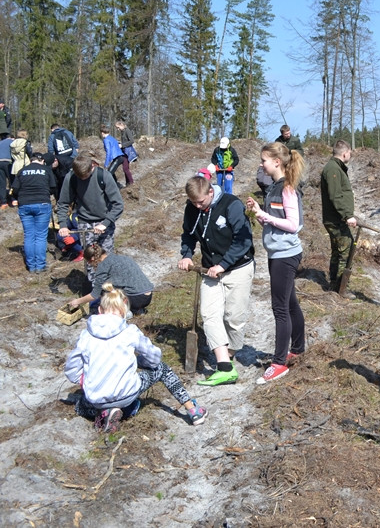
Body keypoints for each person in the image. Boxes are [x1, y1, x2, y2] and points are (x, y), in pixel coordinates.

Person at [65, 283, 207, 433]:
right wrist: (141, 362)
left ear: (99, 310)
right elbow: (154, 357)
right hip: (127, 392)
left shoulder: (86, 335)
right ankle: (193, 410)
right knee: (162, 369)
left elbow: (71, 370)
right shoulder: (130, 331)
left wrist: (85, 380)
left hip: (97, 398)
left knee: (80, 406)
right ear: (125, 311)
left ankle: (105, 413)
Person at [179, 174, 256, 386]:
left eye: (201, 201)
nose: (197, 205)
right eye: (193, 202)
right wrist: (186, 254)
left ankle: (229, 354)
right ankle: (224, 366)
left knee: (233, 317)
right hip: (209, 269)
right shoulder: (192, 208)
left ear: (210, 192)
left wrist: (223, 265)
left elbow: (243, 240)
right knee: (209, 314)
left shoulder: (231, 205)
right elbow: (188, 234)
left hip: (238, 268)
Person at [247, 142, 306, 384]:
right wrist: (259, 212)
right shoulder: (272, 188)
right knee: (290, 303)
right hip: (276, 253)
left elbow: (294, 225)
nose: (261, 164)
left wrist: (265, 215)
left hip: (286, 255)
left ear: (276, 162)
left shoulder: (288, 189)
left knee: (280, 308)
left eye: (264, 160)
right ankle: (299, 348)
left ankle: (279, 363)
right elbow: (274, 221)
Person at [57, 154, 124, 285]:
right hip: (84, 223)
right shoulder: (71, 178)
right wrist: (63, 225)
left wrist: (105, 224)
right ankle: (94, 291)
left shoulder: (104, 176)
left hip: (104, 223)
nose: (82, 179)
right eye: (79, 177)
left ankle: (109, 289)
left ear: (92, 166)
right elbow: (63, 203)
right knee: (90, 259)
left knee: (106, 258)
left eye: (85, 176)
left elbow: (118, 204)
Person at [66, 245, 155, 316]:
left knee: (106, 293)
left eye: (89, 262)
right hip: (148, 295)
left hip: (136, 299)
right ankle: (137, 309)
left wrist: (77, 302)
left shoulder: (103, 266)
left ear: (92, 259)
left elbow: (94, 295)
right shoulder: (121, 258)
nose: (90, 265)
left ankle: (125, 312)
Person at [320, 140, 357, 293]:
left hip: (337, 218)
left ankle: (334, 284)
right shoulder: (333, 169)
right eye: (349, 153)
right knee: (345, 251)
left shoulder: (335, 168)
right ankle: (342, 288)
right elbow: (335, 196)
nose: (350, 155)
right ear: (344, 153)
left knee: (338, 251)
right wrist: (347, 215)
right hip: (336, 219)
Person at [11, 152, 57, 272]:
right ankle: (40, 266)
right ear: (42, 161)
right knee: (41, 236)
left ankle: (31, 266)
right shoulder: (46, 170)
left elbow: (14, 189)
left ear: (31, 160)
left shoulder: (22, 171)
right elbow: (53, 187)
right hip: (42, 203)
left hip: (25, 204)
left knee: (29, 235)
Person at [0, 134, 13, 207]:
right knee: (12, 180)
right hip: (8, 162)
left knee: (2, 183)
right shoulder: (12, 142)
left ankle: (3, 202)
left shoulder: (0, 142)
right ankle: (13, 199)